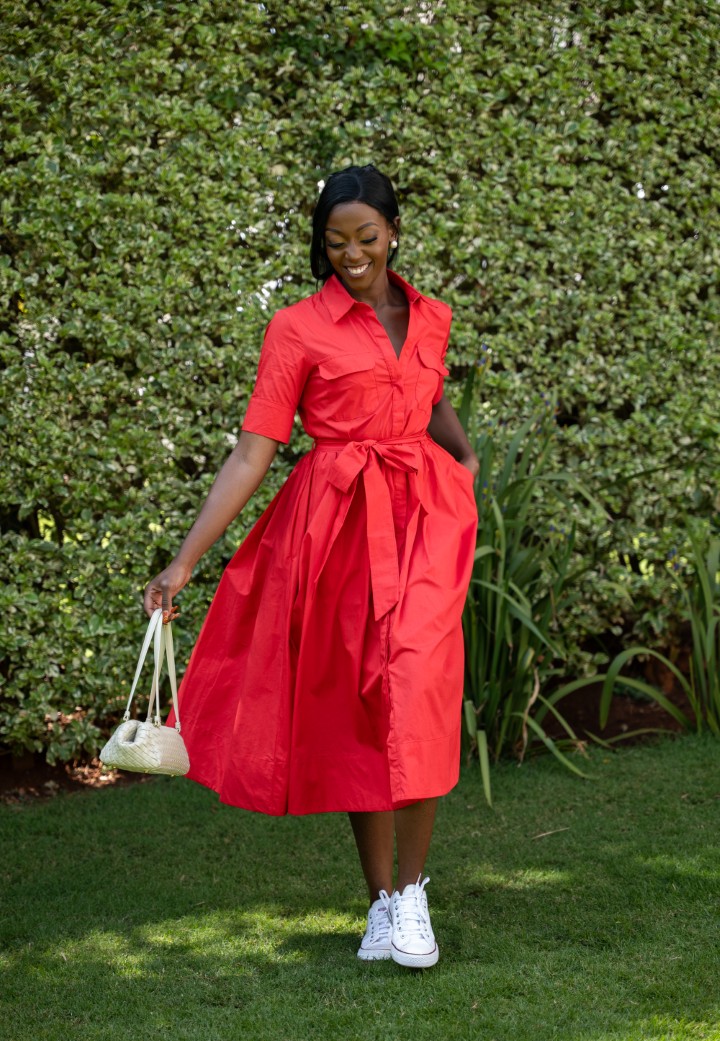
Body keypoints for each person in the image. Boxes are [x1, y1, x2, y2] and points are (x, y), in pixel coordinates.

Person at [144, 164, 479, 969]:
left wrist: (463, 464)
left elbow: (430, 397)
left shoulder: (431, 316)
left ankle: (415, 891)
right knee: (361, 706)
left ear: (394, 232)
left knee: (421, 688)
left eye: (366, 238)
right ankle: (380, 904)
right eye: (335, 243)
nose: (352, 256)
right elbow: (255, 450)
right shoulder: (297, 327)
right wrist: (185, 559)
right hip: (338, 527)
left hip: (427, 523)